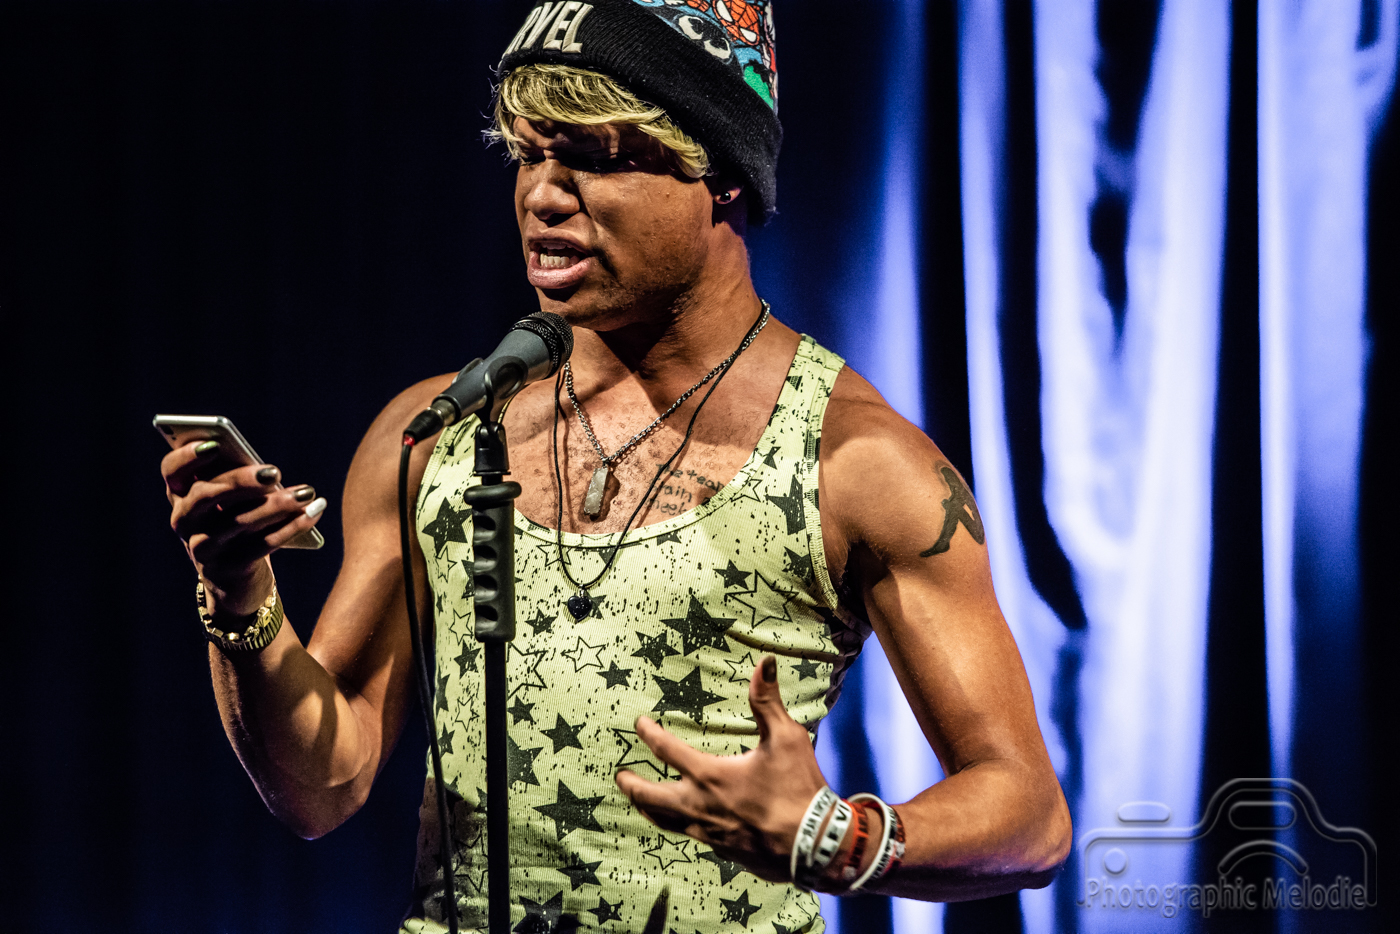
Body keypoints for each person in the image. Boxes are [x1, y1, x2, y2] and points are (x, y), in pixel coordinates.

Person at [160, 1, 1071, 931]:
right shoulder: (441, 434)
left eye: (592, 157)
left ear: (720, 172)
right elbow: (322, 783)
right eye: (527, 155)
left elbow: (1030, 818)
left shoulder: (855, 461)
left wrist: (836, 837)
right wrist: (239, 594)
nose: (543, 196)